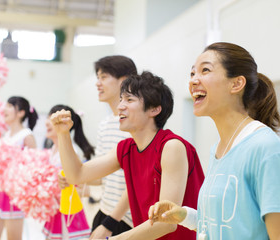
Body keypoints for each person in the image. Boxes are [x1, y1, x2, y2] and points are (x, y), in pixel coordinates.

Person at [148, 42, 280, 240]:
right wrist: (184, 215)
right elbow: (228, 223)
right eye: (192, 73)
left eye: (205, 70)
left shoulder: (266, 149)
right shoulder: (219, 149)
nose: (193, 81)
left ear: (236, 84)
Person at [51, 71, 204, 240]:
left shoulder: (171, 147)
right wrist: (63, 134)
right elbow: (77, 175)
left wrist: (114, 239)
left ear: (154, 109)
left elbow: (166, 222)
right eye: (121, 99)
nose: (120, 106)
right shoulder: (126, 148)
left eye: (129, 100)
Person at [60, 55, 138, 239]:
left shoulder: (136, 124)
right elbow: (103, 177)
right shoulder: (105, 125)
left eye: (103, 77)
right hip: (105, 212)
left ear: (125, 80)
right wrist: (74, 179)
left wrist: (110, 222)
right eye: (98, 77)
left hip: (126, 220)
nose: (97, 83)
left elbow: (135, 183)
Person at [0, 96, 38, 240]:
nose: (5, 109)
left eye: (9, 106)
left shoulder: (27, 136)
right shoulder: (6, 135)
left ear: (20, 112)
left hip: (14, 197)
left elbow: (34, 169)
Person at [43, 104, 94, 240]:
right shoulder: (52, 148)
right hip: (55, 210)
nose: (47, 122)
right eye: (48, 117)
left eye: (52, 118)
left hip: (69, 211)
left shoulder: (72, 151)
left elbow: (85, 189)